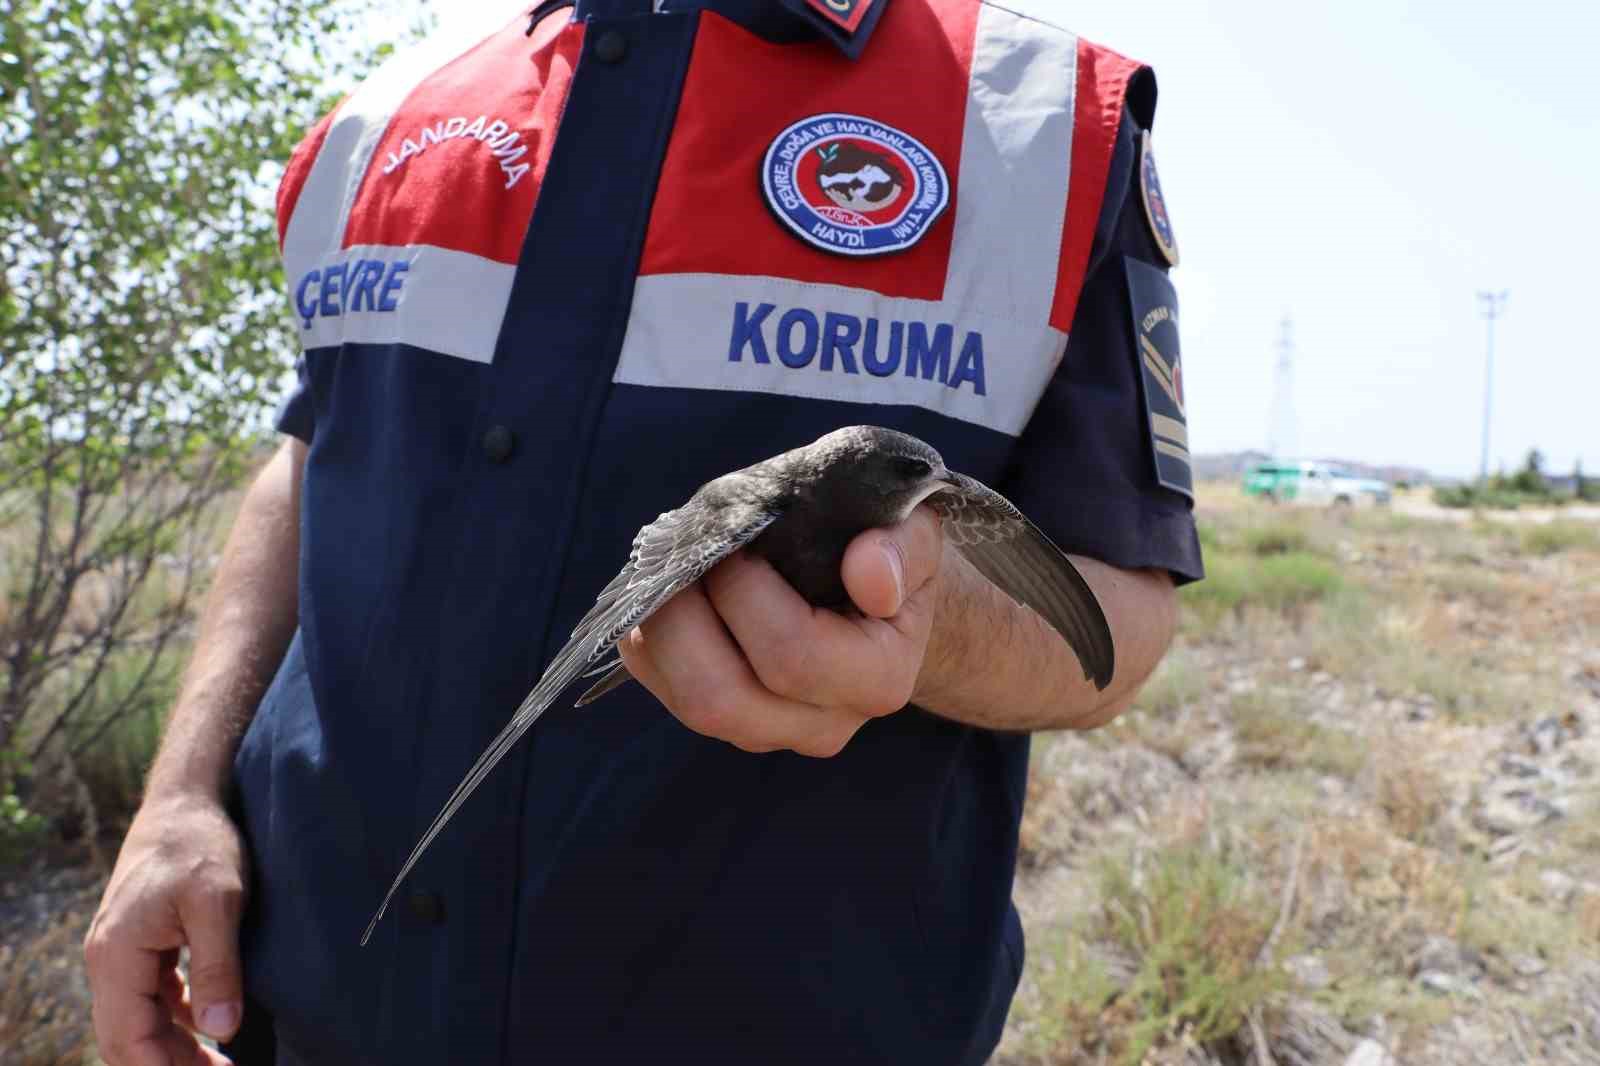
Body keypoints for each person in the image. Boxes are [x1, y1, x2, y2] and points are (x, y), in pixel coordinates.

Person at [84, 0, 1203, 1062]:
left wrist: (926, 616)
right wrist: (177, 793)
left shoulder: (1045, 126)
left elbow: (1125, 613)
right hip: (305, 1007)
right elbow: (318, 453)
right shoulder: (387, 108)